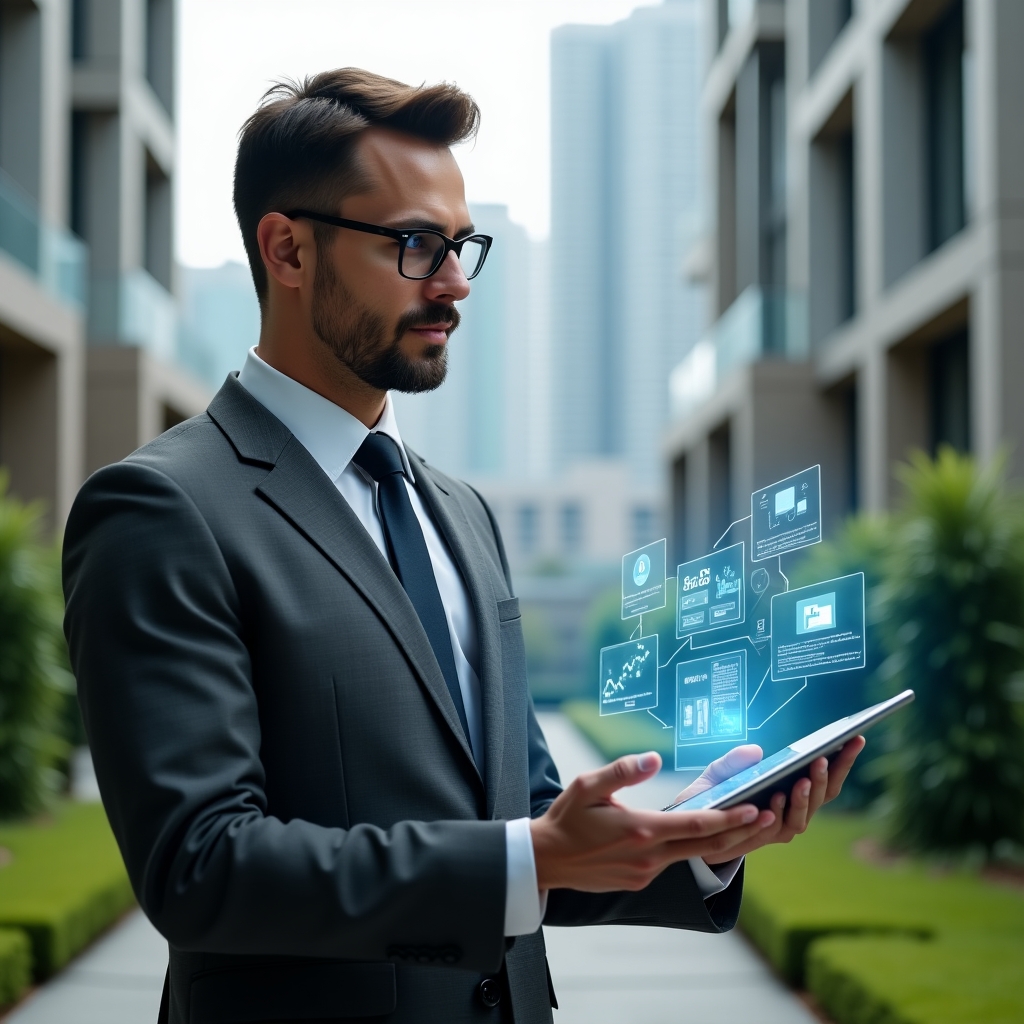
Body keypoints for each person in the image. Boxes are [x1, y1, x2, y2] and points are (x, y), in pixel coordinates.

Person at [63, 70, 863, 1024]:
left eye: (461, 246)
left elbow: (526, 824)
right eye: (414, 245)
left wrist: (696, 840)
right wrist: (526, 856)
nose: (454, 284)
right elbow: (199, 866)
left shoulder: (461, 512)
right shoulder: (161, 508)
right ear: (287, 249)